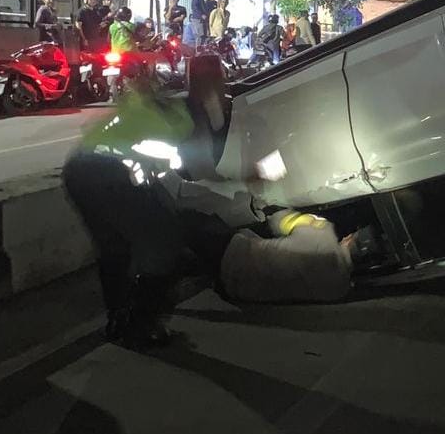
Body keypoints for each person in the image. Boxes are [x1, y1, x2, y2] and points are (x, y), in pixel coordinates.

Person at [62, 56, 355, 347]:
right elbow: (202, 169)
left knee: (114, 249)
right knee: (166, 245)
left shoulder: (167, 103)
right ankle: (140, 325)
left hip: (78, 170)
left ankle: (117, 321)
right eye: (217, 81)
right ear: (211, 84)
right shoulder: (189, 116)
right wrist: (251, 176)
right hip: (109, 174)